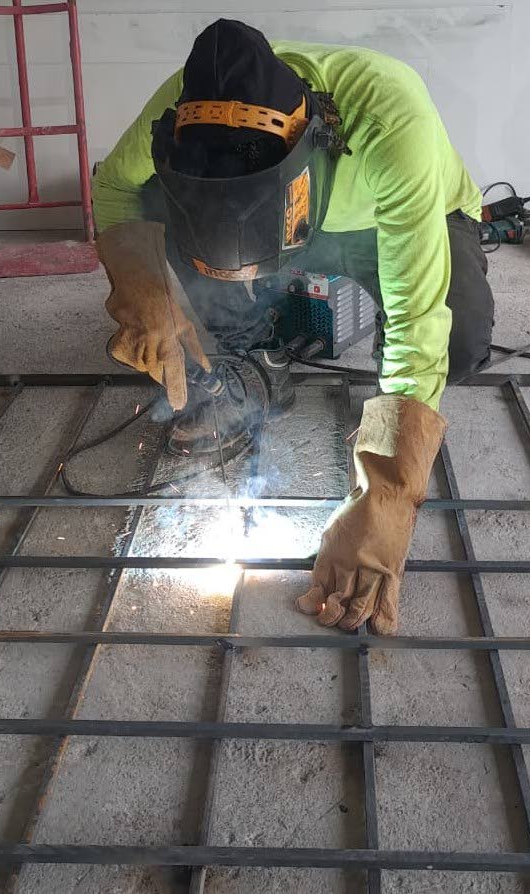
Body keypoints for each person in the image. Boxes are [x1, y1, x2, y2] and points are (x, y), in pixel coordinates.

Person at [93, 19, 493, 635]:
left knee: (456, 341)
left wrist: (388, 491)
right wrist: (147, 294)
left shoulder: (389, 118)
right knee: (151, 208)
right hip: (294, 229)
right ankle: (252, 361)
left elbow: (419, 319)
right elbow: (115, 186)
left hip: (394, 221)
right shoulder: (179, 105)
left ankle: (351, 355)